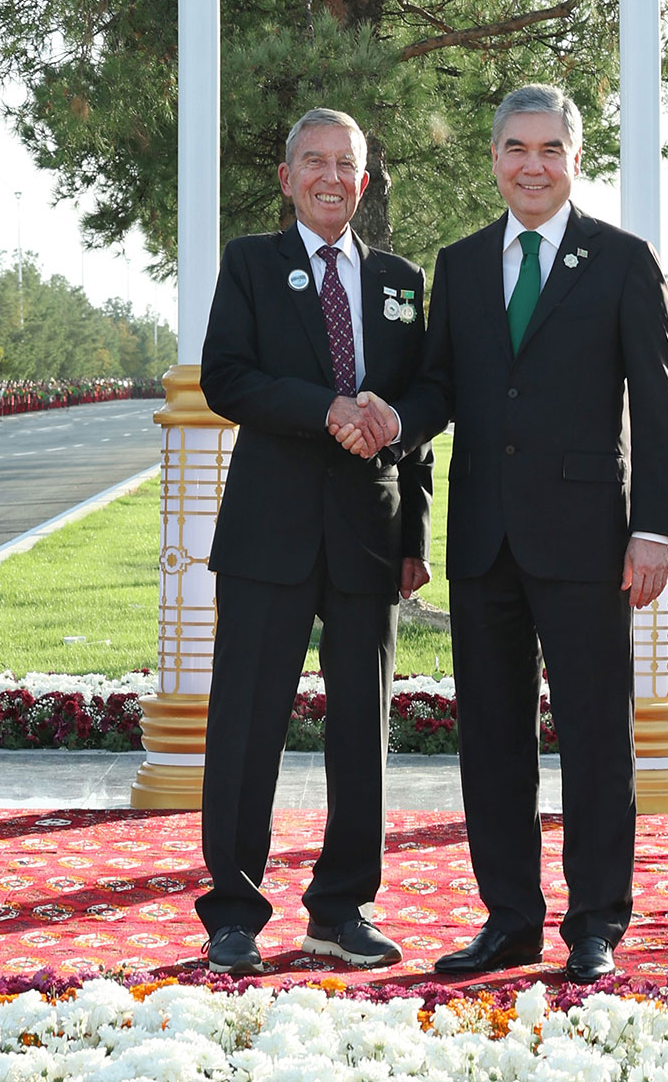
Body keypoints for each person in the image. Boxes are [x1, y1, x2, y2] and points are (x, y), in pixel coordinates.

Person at [345, 84, 668, 983]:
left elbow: (656, 405)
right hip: (485, 540)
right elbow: (440, 388)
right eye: (516, 148)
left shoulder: (621, 260)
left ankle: (597, 923)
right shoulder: (456, 266)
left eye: (550, 149)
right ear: (494, 158)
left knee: (595, 734)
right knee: (490, 738)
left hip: (588, 541)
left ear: (576, 156)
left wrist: (653, 528)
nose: (533, 165)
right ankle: (510, 920)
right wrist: (391, 414)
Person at [195, 107, 432, 977]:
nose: (332, 177)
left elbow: (419, 409)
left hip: (369, 536)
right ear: (288, 176)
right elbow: (226, 376)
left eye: (348, 164)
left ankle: (341, 909)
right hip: (269, 532)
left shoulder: (402, 280)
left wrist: (415, 530)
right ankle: (232, 912)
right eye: (314, 161)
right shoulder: (252, 263)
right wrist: (322, 408)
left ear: (364, 182)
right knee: (248, 721)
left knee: (361, 730)